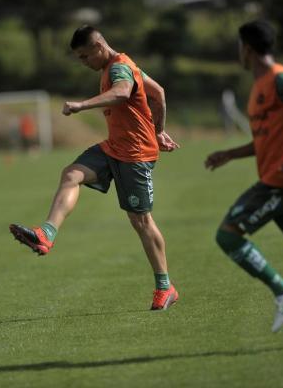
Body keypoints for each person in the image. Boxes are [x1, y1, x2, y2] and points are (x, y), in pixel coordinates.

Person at [10, 25, 180, 310]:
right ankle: (46, 235)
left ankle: (165, 288)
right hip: (114, 147)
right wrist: (158, 130)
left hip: (135, 155)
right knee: (71, 174)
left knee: (140, 221)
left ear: (99, 47)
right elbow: (158, 93)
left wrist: (81, 105)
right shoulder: (125, 64)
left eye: (85, 56)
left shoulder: (118, 70)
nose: (84, 63)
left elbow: (123, 93)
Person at [205, 20, 283, 332]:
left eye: (239, 47)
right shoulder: (258, 88)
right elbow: (266, 139)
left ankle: (282, 291)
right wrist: (229, 154)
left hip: (279, 184)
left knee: (228, 234)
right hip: (275, 180)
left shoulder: (280, 80)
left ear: (248, 49)